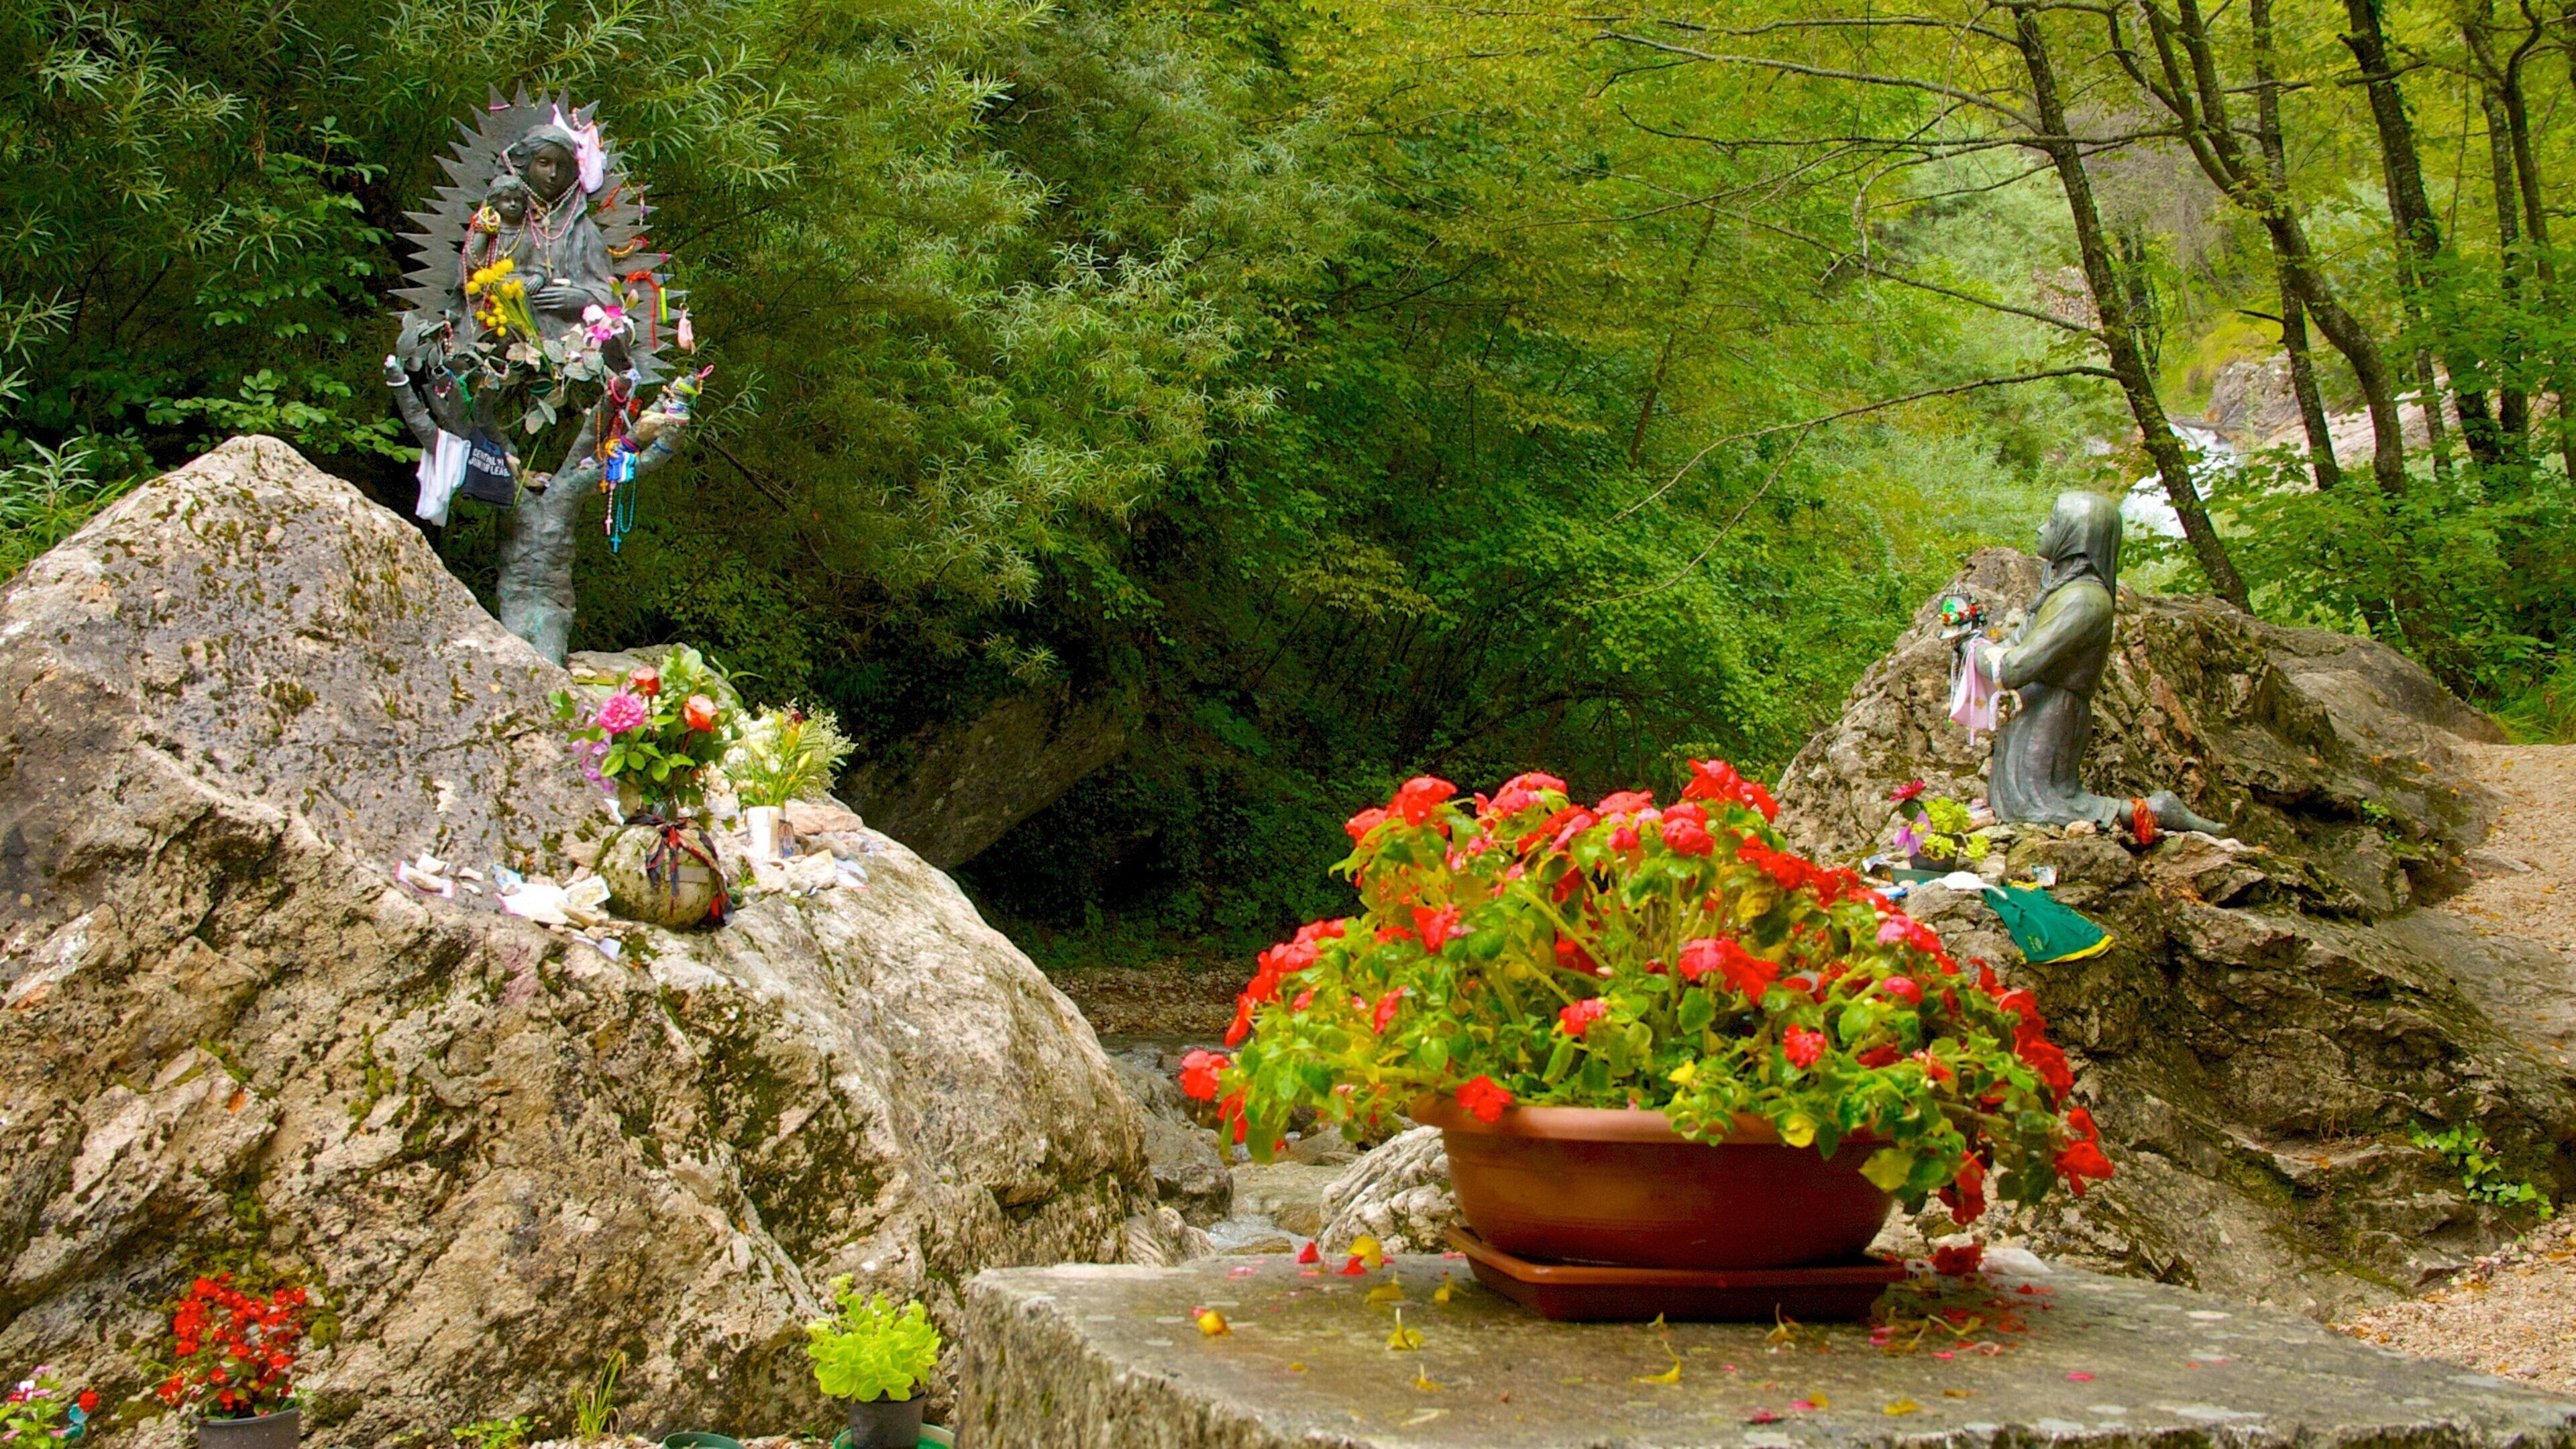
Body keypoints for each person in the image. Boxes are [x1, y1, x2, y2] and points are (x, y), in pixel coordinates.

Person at [1973, 491, 2230, 837]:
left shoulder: (2084, 600)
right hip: (2036, 709)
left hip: (2054, 713)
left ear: (2075, 537)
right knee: (2021, 805)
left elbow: (2015, 668)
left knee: (2043, 807)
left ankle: (2155, 810)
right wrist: (1974, 644)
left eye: (2051, 523)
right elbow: (2013, 646)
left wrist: (1973, 651)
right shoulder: (2062, 591)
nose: (2040, 528)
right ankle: (2152, 810)